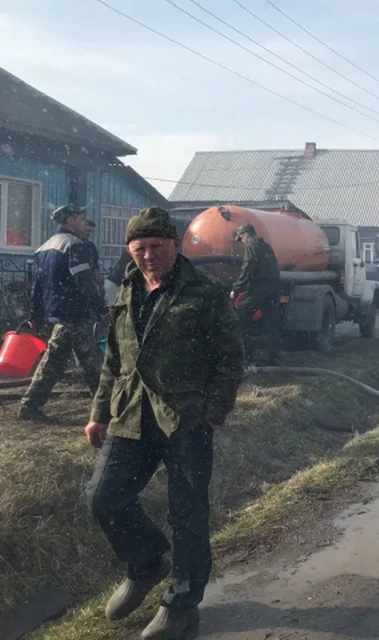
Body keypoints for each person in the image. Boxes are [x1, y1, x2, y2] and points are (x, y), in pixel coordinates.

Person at [85, 207, 244, 640]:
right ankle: (146, 564)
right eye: (140, 248)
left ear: (175, 246)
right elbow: (113, 361)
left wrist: (214, 410)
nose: (149, 255)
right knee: (103, 497)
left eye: (157, 246)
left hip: (185, 421)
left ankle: (181, 605)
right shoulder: (126, 291)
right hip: (131, 414)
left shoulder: (204, 292)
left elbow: (230, 358)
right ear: (130, 251)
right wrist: (99, 412)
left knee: (187, 515)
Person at [18, 204, 104, 422]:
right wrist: (101, 310)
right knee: (93, 364)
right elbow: (85, 283)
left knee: (55, 362)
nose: (85, 223)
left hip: (58, 314)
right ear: (71, 221)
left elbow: (37, 287)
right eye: (82, 219)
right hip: (76, 314)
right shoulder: (76, 246)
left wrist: (35, 316)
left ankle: (29, 406)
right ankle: (108, 410)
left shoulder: (44, 248)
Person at [232, 224, 281, 366]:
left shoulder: (251, 247)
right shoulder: (266, 246)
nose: (242, 242)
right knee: (272, 322)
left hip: (260, 288)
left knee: (240, 316)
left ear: (246, 234)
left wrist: (236, 288)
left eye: (241, 238)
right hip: (274, 286)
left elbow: (248, 268)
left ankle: (247, 356)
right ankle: (273, 358)